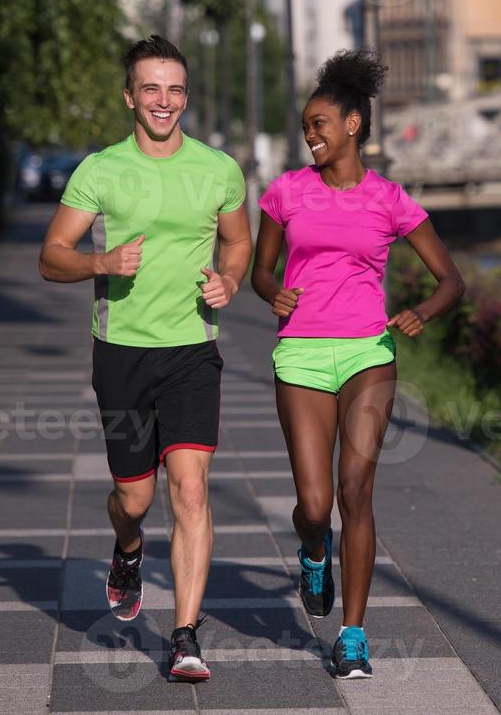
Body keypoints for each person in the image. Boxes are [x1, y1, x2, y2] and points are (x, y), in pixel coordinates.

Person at [38, 34, 250, 683]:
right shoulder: (100, 170)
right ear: (130, 96)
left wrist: (230, 281)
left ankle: (184, 634)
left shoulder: (218, 168)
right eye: (151, 88)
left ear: (186, 97)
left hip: (192, 350)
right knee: (134, 498)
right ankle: (127, 549)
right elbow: (51, 257)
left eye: (175, 88)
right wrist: (99, 261)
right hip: (122, 353)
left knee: (190, 489)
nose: (164, 100)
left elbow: (239, 242)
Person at [251, 49, 464, 679]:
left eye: (319, 124)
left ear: (352, 125)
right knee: (315, 505)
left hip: (369, 354)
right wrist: (272, 292)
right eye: (305, 126)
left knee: (356, 492)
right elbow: (261, 270)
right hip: (302, 354)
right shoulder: (286, 192)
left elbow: (450, 279)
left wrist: (422, 311)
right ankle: (313, 550)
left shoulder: (390, 200)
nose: (309, 135)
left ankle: (352, 633)